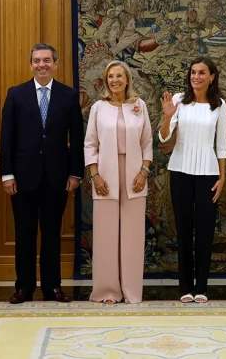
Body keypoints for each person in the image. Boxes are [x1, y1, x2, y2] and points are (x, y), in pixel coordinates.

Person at [0, 42, 84, 304]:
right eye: (37, 60)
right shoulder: (16, 94)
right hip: (22, 178)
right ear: (31, 64)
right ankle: (23, 287)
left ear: (55, 64)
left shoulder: (69, 96)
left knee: (51, 235)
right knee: (24, 234)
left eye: (47, 60)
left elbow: (77, 139)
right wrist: (7, 174)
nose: (42, 65)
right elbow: (7, 137)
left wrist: (75, 173)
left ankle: (52, 287)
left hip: (56, 177)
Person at [159, 57, 226, 303]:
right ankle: (185, 287)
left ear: (212, 77)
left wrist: (222, 177)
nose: (196, 76)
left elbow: (221, 146)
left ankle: (202, 288)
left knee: (206, 230)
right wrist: (167, 117)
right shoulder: (178, 101)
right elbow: (165, 138)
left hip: (208, 172)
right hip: (180, 170)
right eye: (193, 72)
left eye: (202, 72)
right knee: (184, 230)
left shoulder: (219, 104)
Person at [84, 60, 152, 304]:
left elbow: (147, 142)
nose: (115, 80)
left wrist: (143, 173)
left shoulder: (139, 106)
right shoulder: (98, 108)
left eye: (119, 76)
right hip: (105, 175)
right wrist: (95, 175)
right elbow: (90, 143)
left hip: (135, 175)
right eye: (111, 76)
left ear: (127, 80)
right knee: (105, 235)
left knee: (133, 236)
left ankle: (132, 291)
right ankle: (107, 291)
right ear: (106, 80)